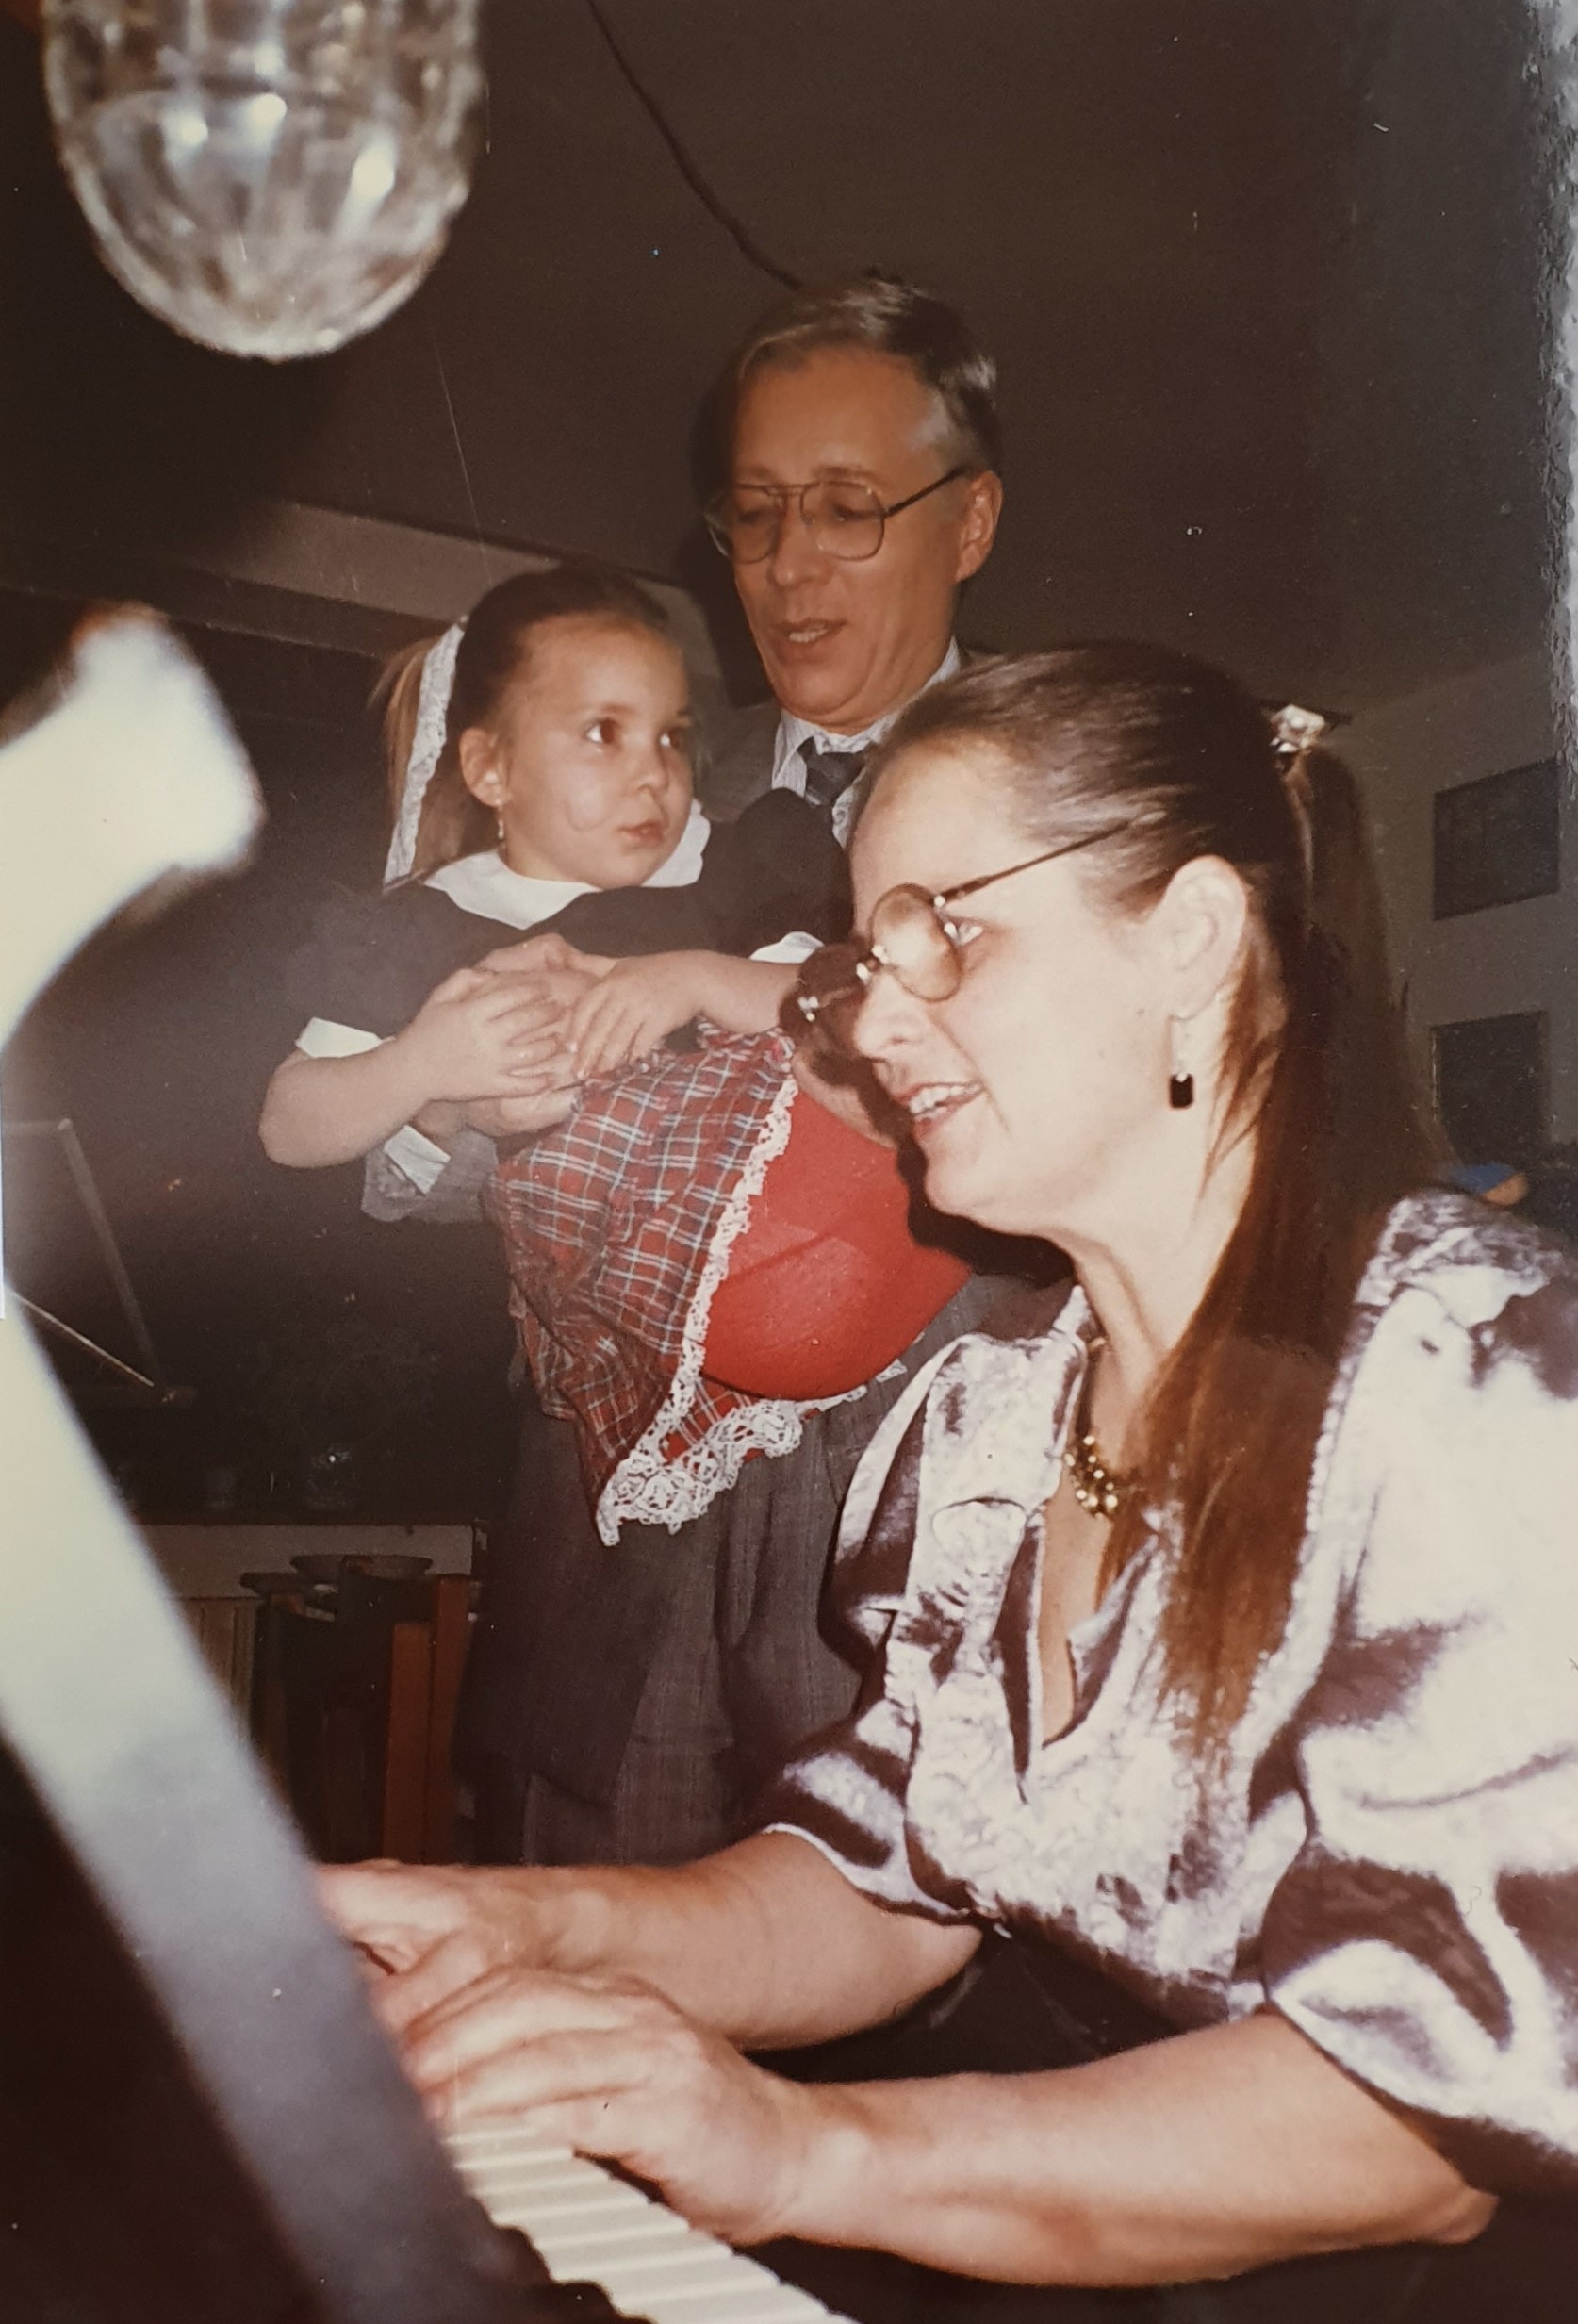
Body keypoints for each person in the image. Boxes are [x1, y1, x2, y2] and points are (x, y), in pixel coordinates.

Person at [321, 645, 1578, 2315]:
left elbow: (1418, 2131)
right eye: (863, 955)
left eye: (946, 933)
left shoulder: (1481, 1379)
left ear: (1193, 938)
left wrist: (797, 2150)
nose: (866, 1019)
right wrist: (522, 1930)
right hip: (1071, 2232)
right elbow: (880, 1882)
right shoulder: (997, 1420)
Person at [378, 277, 1015, 1867]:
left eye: (846, 508)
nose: (788, 564)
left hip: (918, 1536)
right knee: (580, 1982)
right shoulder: (617, 762)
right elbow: (430, 1168)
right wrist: (444, 1094)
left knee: (883, 1979)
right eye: (752, 514)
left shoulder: (1068, 776)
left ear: (968, 522)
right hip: (605, 1547)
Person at [259, 559, 851, 1178]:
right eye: (604, 733)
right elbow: (285, 1126)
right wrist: (419, 1067)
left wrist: (698, 980)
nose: (655, 772)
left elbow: (848, 1002)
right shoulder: (417, 926)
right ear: (493, 770)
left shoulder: (729, 869)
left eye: (670, 737)